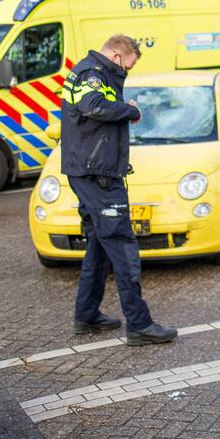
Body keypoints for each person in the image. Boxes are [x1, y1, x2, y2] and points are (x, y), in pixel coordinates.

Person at [60, 34, 177, 346]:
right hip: (98, 176)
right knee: (124, 248)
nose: (126, 72)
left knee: (99, 245)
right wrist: (130, 110)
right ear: (116, 55)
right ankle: (139, 324)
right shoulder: (91, 74)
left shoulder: (88, 71)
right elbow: (93, 106)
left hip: (90, 172)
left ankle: (86, 315)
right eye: (127, 66)